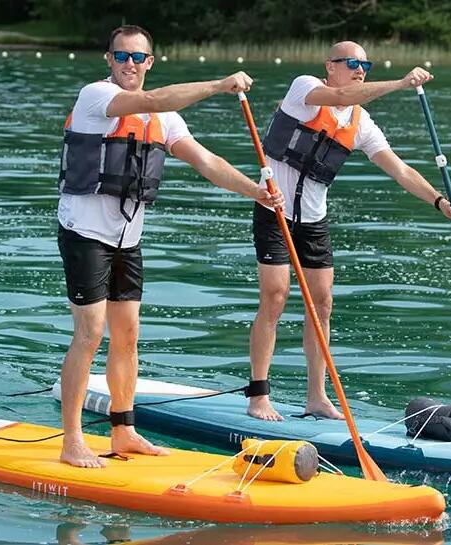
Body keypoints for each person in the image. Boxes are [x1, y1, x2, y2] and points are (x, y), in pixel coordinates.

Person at [56, 25, 284, 467]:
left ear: (150, 62)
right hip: (84, 232)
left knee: (128, 335)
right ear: (109, 59)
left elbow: (207, 161)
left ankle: (124, 431)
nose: (129, 65)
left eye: (138, 58)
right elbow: (153, 99)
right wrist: (219, 85)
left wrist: (254, 191)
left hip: (128, 238)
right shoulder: (96, 97)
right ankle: (72, 440)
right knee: (91, 333)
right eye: (121, 56)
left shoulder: (166, 122)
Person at [246, 41, 451, 421]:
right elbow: (343, 95)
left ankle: (316, 396)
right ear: (330, 67)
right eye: (351, 63)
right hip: (275, 211)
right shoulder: (305, 89)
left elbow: (399, 170)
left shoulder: (361, 124)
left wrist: (439, 201)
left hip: (314, 220)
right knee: (276, 297)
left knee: (323, 305)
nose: (360, 69)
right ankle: (259, 395)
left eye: (365, 64)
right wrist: (399, 83)